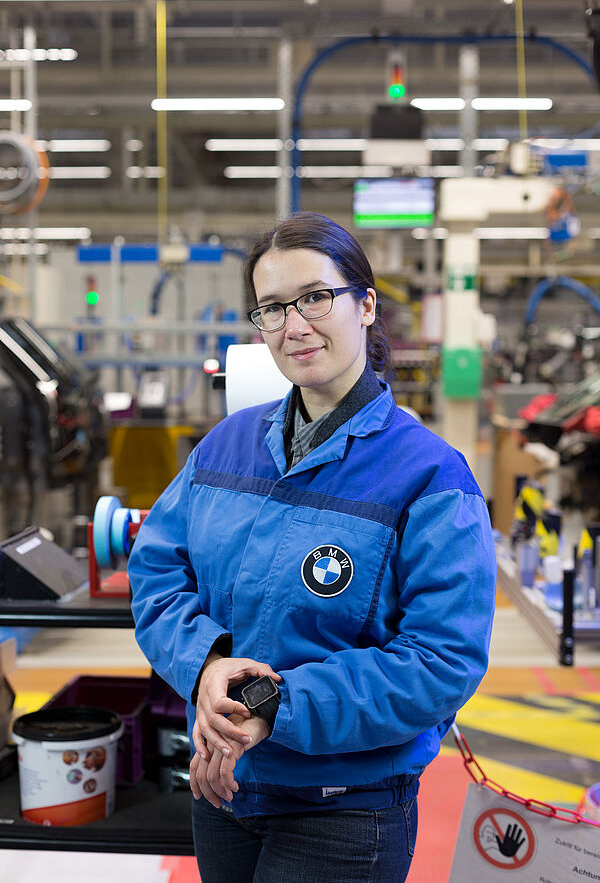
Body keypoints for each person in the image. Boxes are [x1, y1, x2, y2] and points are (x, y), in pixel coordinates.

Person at [128, 211, 496, 883]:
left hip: (344, 810)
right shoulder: (226, 447)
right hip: (225, 786)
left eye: (315, 297)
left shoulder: (430, 477)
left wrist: (274, 707)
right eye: (272, 307)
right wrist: (208, 665)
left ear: (365, 304)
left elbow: (443, 662)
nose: (295, 325)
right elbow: (158, 572)